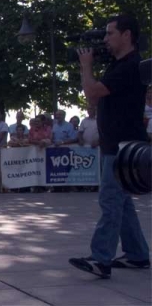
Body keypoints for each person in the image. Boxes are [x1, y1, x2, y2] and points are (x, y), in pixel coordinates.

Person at [70, 15, 150, 279]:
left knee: (110, 201)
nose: (105, 39)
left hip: (121, 147)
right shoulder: (121, 65)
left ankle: (101, 258)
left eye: (110, 33)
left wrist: (85, 65)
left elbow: (91, 93)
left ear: (126, 35)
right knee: (122, 202)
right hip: (118, 145)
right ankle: (137, 254)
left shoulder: (129, 66)